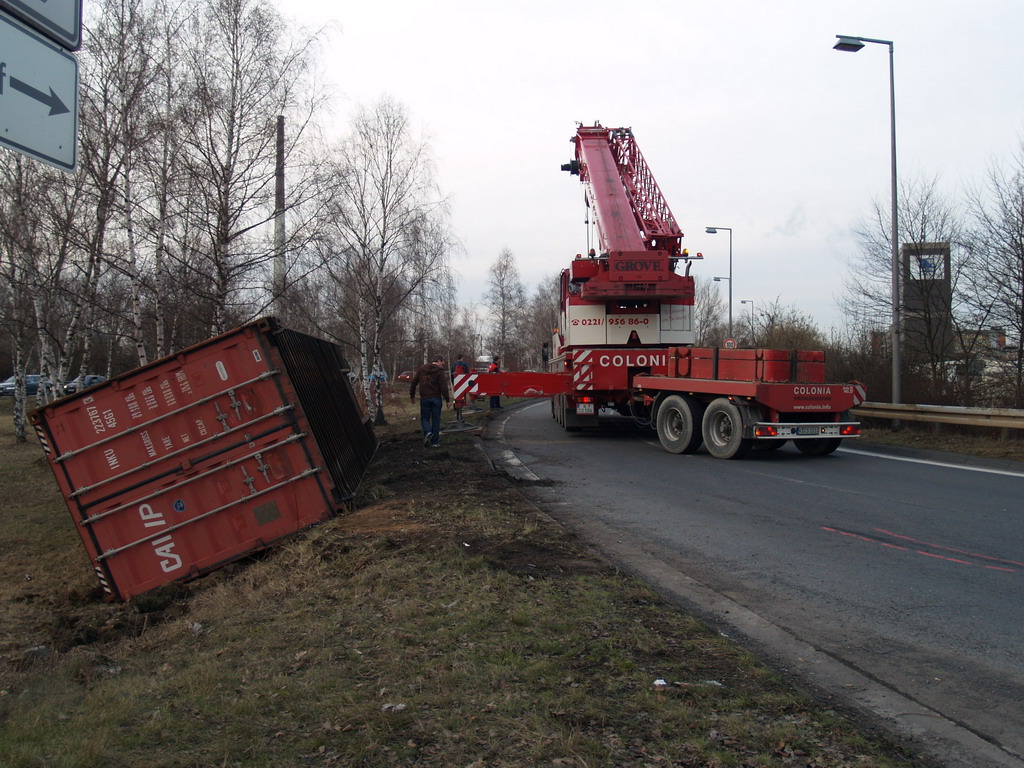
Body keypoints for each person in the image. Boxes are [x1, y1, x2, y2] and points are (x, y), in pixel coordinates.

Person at [410, 355, 450, 447]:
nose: (442, 365)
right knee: (436, 419)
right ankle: (435, 442)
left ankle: (427, 432)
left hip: (424, 398)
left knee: (424, 418)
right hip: (436, 398)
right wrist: (447, 400)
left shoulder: (422, 368)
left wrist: (412, 395)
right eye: (442, 363)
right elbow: (443, 386)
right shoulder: (440, 371)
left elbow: (414, 382)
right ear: (439, 361)